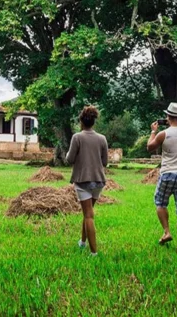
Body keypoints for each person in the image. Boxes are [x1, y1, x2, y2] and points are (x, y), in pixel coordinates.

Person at [147, 103, 177, 252]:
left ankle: (167, 231)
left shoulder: (164, 134)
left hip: (168, 173)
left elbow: (150, 147)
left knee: (160, 203)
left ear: (168, 116)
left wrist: (153, 132)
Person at [66, 106, 108, 256]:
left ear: (81, 121)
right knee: (88, 212)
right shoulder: (102, 139)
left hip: (83, 180)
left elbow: (70, 159)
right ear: (94, 121)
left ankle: (94, 252)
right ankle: (82, 242)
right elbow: (105, 162)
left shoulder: (77, 137)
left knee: (89, 215)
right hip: (99, 181)